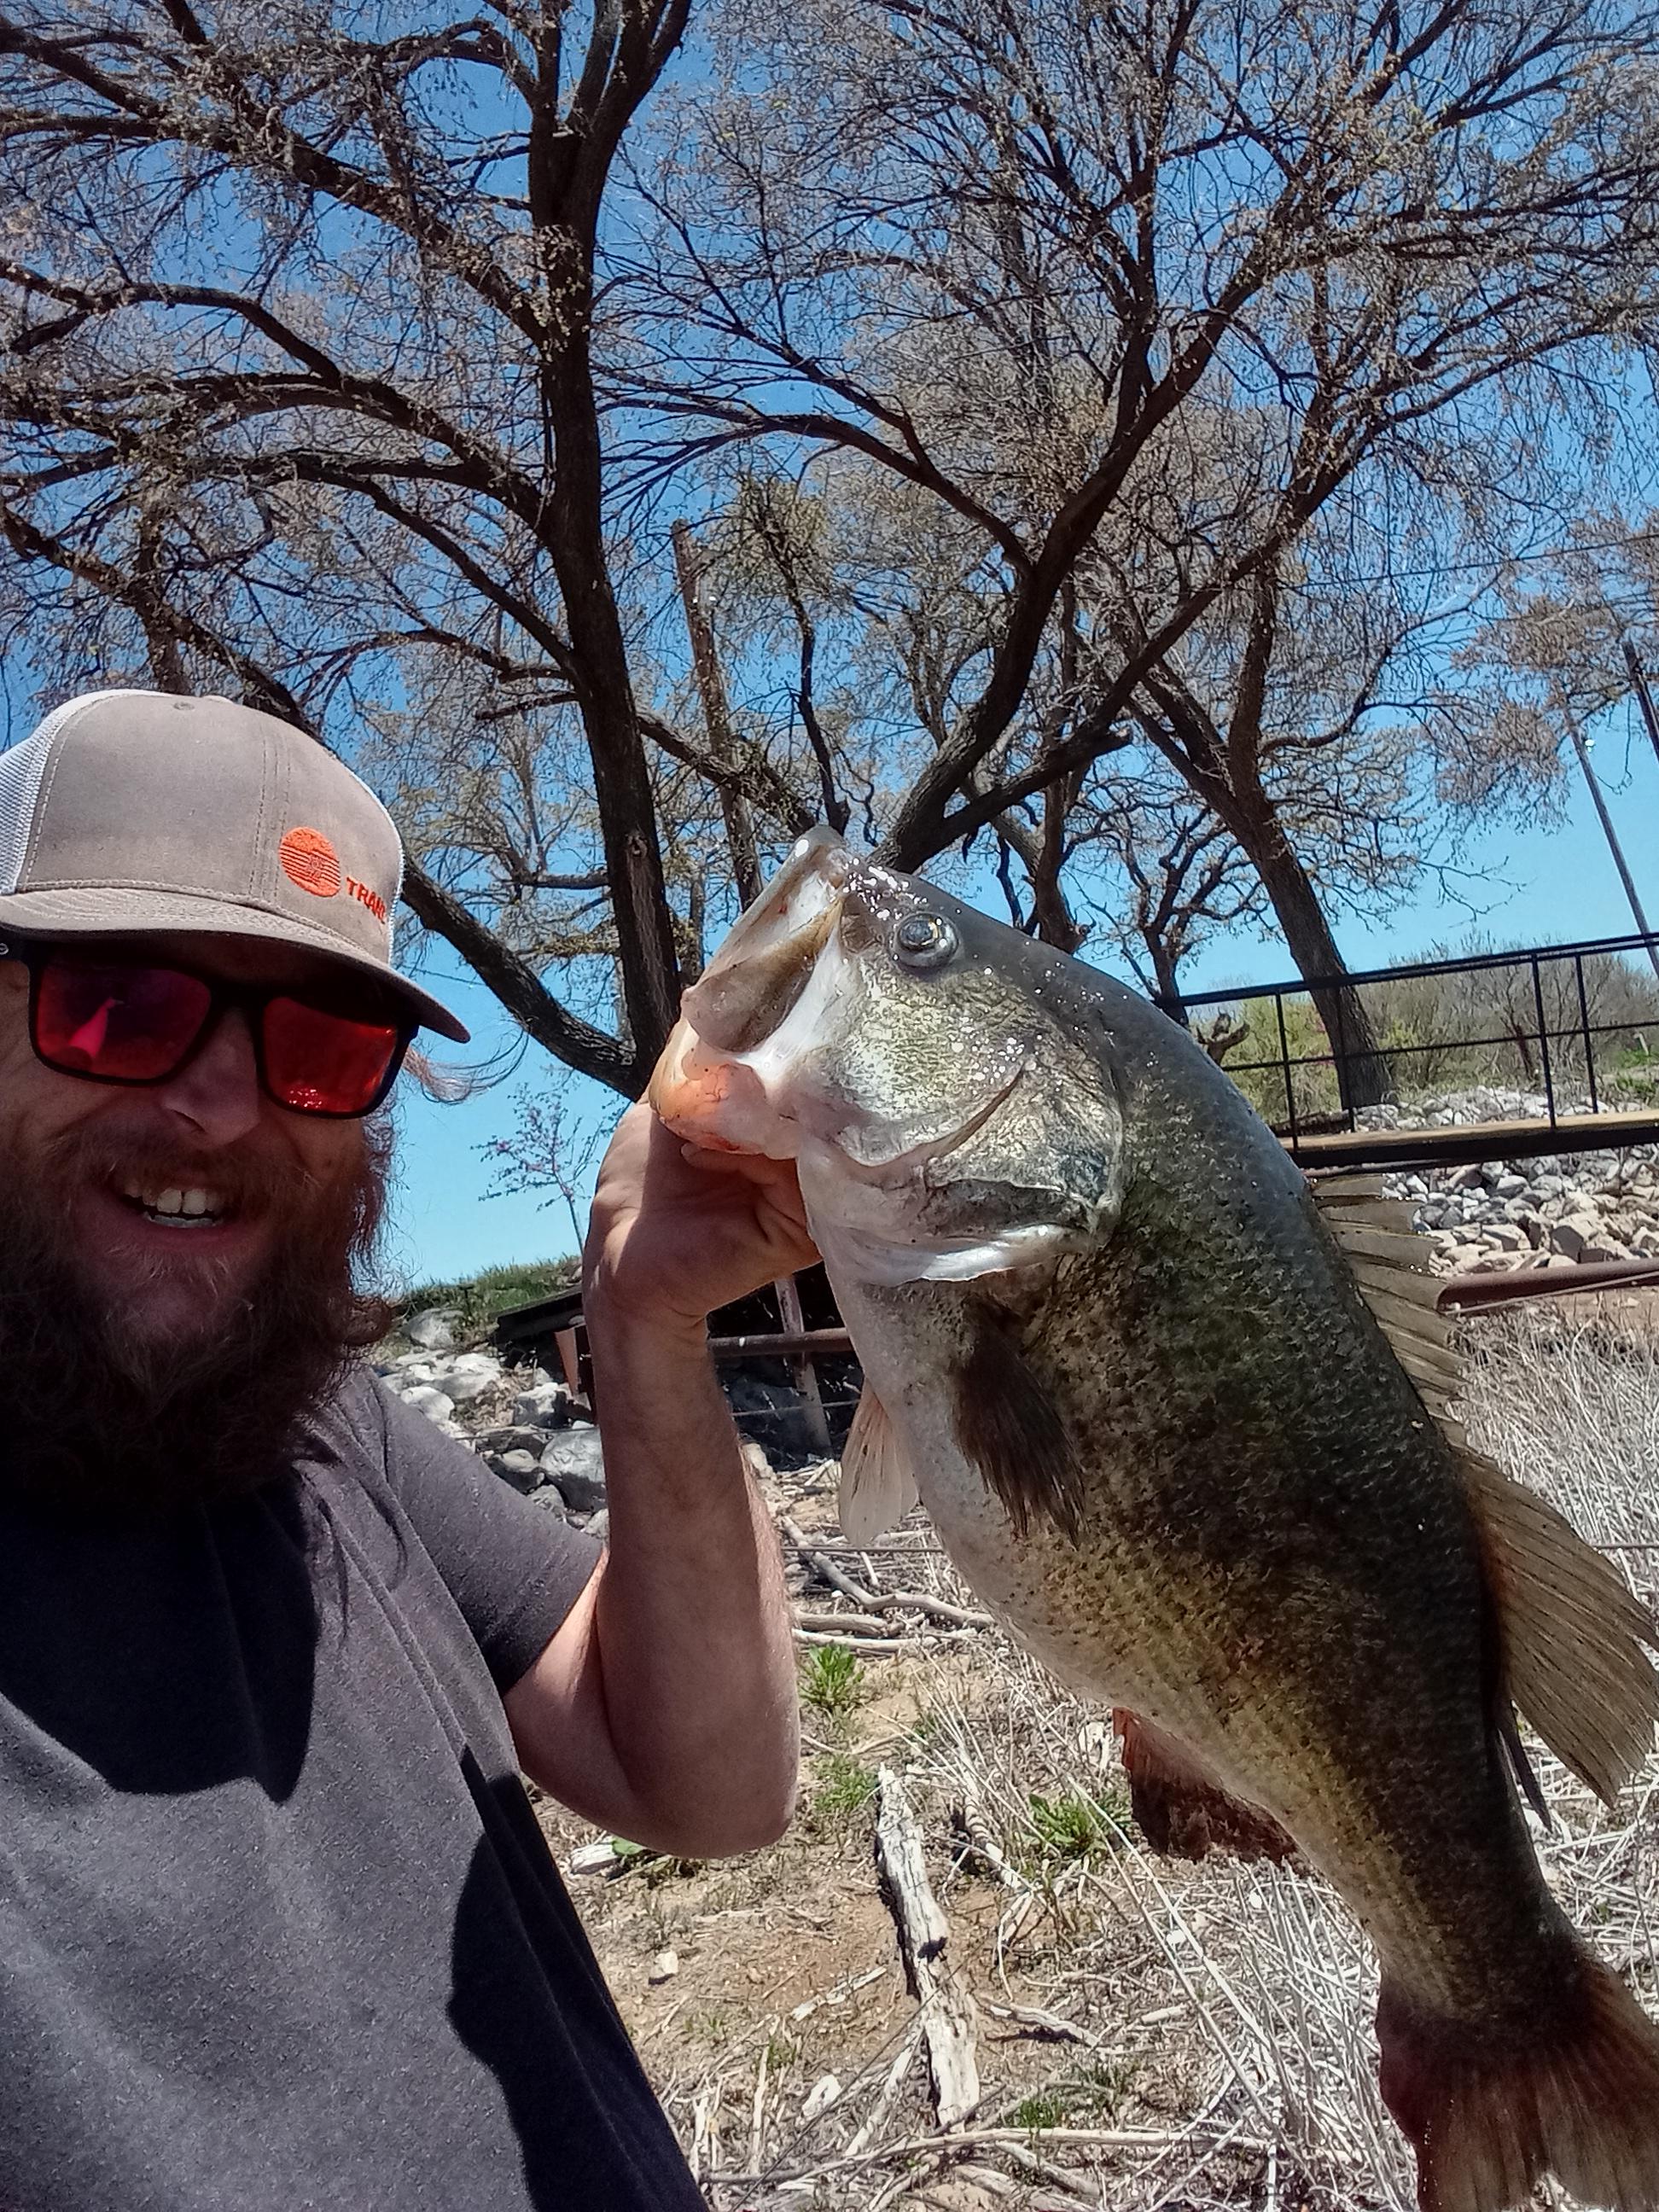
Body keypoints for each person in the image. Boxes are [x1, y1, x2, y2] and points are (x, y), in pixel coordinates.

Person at [0, 689, 814, 2210]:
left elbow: (710, 1787)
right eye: (118, 1005)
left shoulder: (322, 1430)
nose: (221, 1104)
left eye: (319, 1045)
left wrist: (642, 1318)